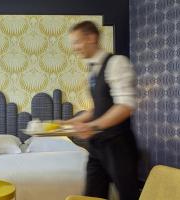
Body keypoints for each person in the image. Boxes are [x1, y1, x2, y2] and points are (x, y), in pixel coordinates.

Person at [63, 21, 139, 200]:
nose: (74, 48)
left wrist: (93, 126)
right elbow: (97, 109)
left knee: (128, 195)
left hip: (119, 146)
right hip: (97, 146)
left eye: (77, 42)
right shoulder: (92, 71)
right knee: (92, 195)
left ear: (91, 38)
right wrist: (67, 123)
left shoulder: (117, 63)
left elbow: (125, 106)